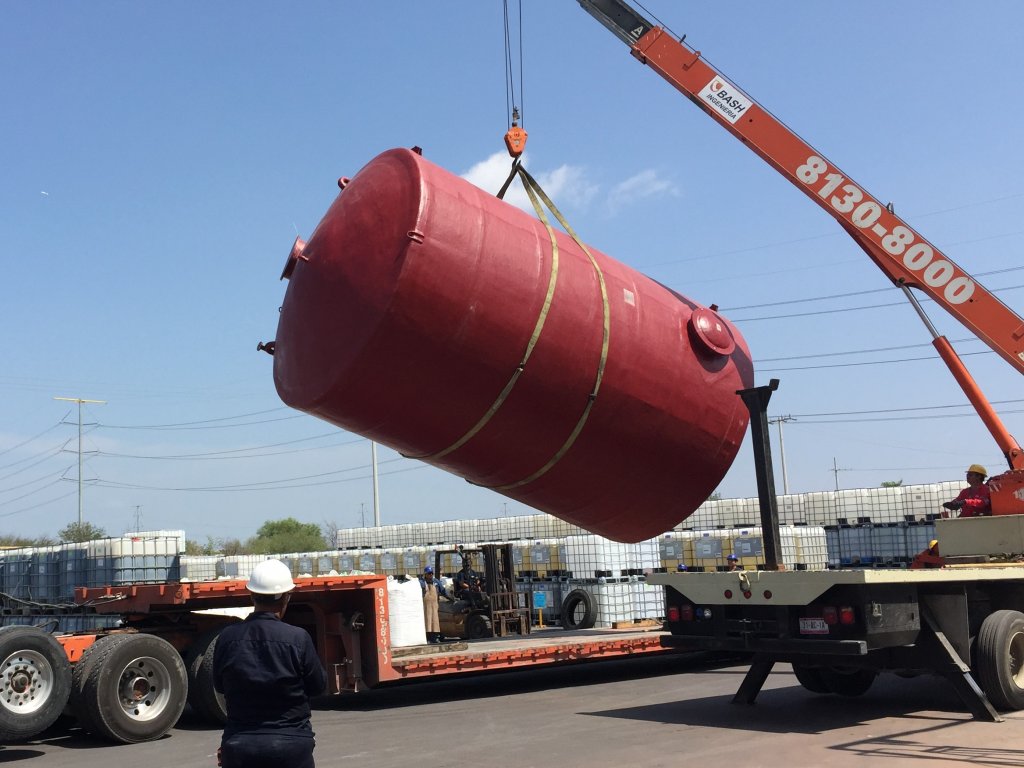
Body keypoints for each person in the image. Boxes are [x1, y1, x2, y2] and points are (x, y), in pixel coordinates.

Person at [213, 559, 327, 768]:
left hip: (239, 745)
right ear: (286, 597)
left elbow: (220, 686)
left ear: (251, 595)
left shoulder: (227, 638)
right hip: (291, 746)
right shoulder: (298, 638)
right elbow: (318, 687)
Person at [419, 566, 449, 644]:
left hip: (435, 605)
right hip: (425, 606)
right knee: (427, 621)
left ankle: (435, 638)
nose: (430, 575)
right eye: (429, 573)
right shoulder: (421, 582)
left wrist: (450, 598)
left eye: (432, 573)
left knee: (435, 621)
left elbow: (443, 591)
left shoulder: (436, 582)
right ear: (425, 574)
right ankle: (428, 638)